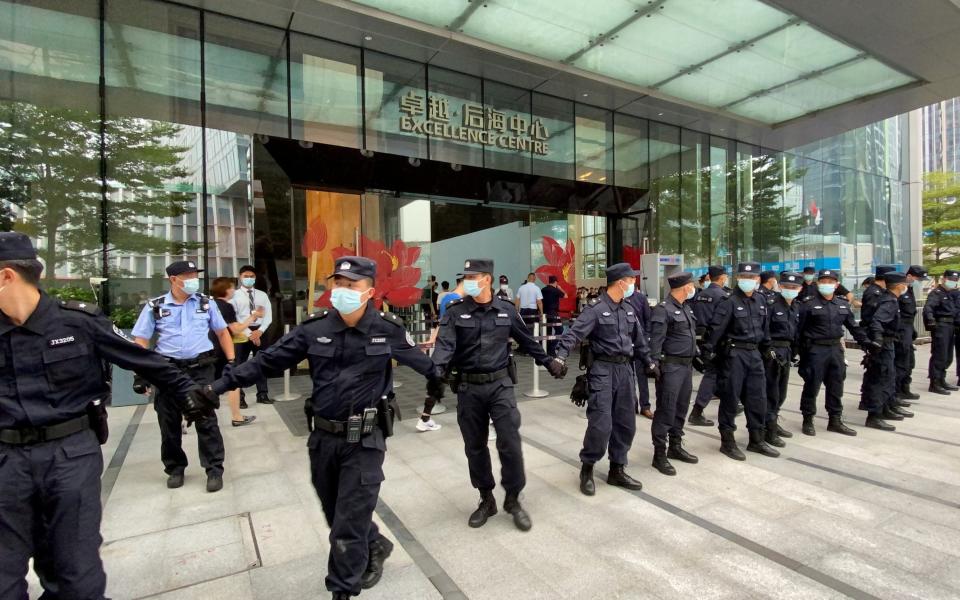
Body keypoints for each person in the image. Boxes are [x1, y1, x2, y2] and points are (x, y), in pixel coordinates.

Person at [213, 257, 446, 600]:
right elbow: (266, 362)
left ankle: (342, 590)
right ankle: (376, 543)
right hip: (323, 438)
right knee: (333, 510)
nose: (342, 291)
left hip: (366, 438)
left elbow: (423, 362)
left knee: (346, 524)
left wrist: (441, 381)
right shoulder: (314, 328)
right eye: (337, 283)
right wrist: (214, 389)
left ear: (370, 291)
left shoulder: (388, 328)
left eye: (351, 285)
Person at [0, 232, 214, 600]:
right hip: (6, 463)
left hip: (69, 456)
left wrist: (188, 394)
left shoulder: (77, 323)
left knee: (75, 573)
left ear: (6, 276)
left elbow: (141, 357)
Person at [432, 259, 566, 531]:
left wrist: (549, 362)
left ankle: (514, 498)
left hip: (500, 385)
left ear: (487, 279)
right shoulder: (456, 312)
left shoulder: (505, 310)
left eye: (473, 276)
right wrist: (434, 373)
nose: (468, 281)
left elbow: (528, 340)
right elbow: (444, 346)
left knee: (510, 442)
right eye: (465, 276)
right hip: (469, 388)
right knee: (475, 446)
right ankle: (486, 498)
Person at [554, 263, 656, 495]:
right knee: (601, 424)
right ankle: (587, 467)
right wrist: (560, 358)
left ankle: (617, 469)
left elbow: (639, 341)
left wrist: (650, 362)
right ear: (620, 282)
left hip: (625, 371)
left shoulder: (628, 309)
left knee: (626, 423)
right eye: (631, 280)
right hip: (602, 371)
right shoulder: (596, 309)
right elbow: (574, 334)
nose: (634, 284)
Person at [132, 260, 232, 492]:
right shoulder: (155, 306)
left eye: (194, 274)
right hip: (168, 370)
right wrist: (141, 373)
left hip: (200, 368)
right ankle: (175, 468)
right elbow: (141, 340)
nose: (192, 279)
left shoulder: (206, 303)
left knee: (206, 419)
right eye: (187, 275)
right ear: (173, 279)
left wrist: (231, 362)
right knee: (168, 422)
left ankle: (214, 469)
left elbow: (222, 332)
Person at [701, 262, 780, 461]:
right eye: (745, 277)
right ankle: (727, 442)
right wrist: (709, 356)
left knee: (758, 398)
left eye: (753, 277)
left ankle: (757, 439)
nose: (749, 281)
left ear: (758, 280)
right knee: (730, 399)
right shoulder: (728, 301)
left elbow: (765, 330)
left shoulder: (760, 300)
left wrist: (768, 349)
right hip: (734, 355)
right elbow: (714, 332)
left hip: (755, 355)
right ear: (737, 278)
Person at [796, 269, 872, 436]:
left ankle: (835, 419)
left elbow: (853, 326)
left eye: (831, 282)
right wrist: (800, 354)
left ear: (837, 285)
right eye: (823, 281)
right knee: (812, 386)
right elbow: (799, 331)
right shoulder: (808, 304)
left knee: (836, 385)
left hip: (835, 350)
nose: (827, 284)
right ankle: (808, 419)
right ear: (818, 283)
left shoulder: (842, 304)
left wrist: (867, 343)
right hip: (815, 350)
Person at [647, 272, 699, 476]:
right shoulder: (663, 309)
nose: (693, 287)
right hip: (671, 368)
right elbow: (656, 342)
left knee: (681, 408)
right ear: (685, 287)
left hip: (686, 368)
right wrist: (653, 365)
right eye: (691, 285)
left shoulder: (685, 307)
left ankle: (675, 447)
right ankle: (659, 455)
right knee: (666, 410)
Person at [860, 271, 913, 430]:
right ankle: (874, 415)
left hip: (889, 343)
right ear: (899, 286)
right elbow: (877, 322)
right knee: (881, 378)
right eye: (905, 284)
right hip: (884, 345)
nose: (906, 286)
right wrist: (877, 340)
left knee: (888, 377)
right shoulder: (889, 301)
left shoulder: (889, 298)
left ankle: (885, 408)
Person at [210, 277, 258, 427]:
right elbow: (235, 329)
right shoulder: (226, 307)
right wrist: (253, 317)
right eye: (232, 287)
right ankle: (237, 416)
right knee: (233, 382)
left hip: (207, 349)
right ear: (226, 290)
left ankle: (185, 418)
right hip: (223, 350)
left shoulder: (209, 304)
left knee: (203, 383)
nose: (234, 290)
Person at [762, 272, 802, 445]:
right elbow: (764, 330)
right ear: (780, 286)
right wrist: (768, 350)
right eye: (786, 286)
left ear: (799, 289)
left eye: (794, 287)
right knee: (771, 392)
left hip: (786, 351)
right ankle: (767, 430)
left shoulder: (795, 306)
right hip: (773, 352)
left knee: (781, 392)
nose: (790, 290)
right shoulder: (771, 304)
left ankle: (773, 422)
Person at [689, 265, 730, 427]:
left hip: (700, 340)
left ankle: (733, 401)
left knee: (719, 374)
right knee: (713, 375)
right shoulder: (723, 296)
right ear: (722, 277)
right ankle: (697, 411)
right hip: (716, 341)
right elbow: (721, 323)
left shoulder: (700, 295)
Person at [231, 265, 274, 406]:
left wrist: (260, 331)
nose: (249, 279)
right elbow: (234, 317)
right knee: (239, 365)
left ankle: (262, 393)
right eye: (246, 276)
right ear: (240, 277)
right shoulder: (234, 296)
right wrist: (249, 333)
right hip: (242, 332)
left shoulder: (262, 295)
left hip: (260, 331)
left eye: (252, 276)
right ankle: (240, 397)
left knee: (261, 362)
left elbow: (268, 316)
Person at [923, 270, 959, 394]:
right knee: (940, 355)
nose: (953, 282)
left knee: (948, 356)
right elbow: (928, 308)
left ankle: (941, 379)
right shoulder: (936, 293)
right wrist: (931, 321)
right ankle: (935, 383)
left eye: (955, 280)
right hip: (941, 325)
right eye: (950, 279)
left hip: (950, 326)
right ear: (944, 279)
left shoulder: (951, 293)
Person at [896, 265, 927, 401]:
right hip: (901, 330)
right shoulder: (900, 291)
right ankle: (896, 392)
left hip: (908, 328)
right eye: (917, 278)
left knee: (909, 362)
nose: (919, 281)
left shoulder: (909, 290)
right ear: (909, 276)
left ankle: (904, 388)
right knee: (901, 362)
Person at [624, 280, 654, 418]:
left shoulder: (640, 298)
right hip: (624, 344)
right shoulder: (619, 297)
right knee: (628, 376)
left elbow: (648, 319)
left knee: (642, 376)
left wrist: (647, 337)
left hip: (640, 343)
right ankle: (632, 404)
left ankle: (645, 406)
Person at [541, 275, 566, 356]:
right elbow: (565, 295)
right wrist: (559, 288)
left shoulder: (543, 289)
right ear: (555, 282)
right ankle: (552, 349)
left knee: (547, 332)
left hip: (545, 313)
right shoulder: (556, 290)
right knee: (560, 330)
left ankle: (547, 350)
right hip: (553, 313)